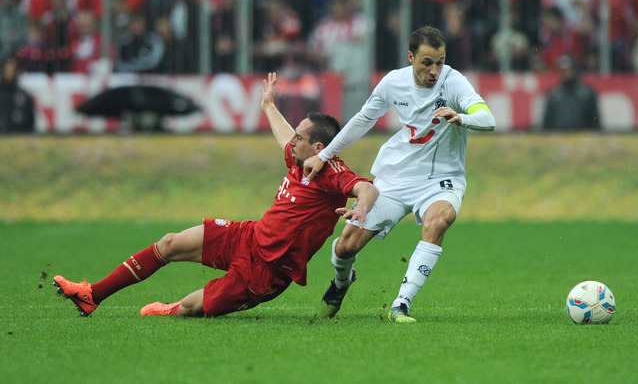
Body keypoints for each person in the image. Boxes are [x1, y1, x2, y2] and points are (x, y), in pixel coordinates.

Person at [53, 72, 379, 318]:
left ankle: (172, 308)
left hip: (266, 272)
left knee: (191, 309)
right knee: (169, 243)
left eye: (299, 137)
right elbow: (284, 135)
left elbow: (366, 188)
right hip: (248, 236)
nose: (292, 142)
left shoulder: (332, 171)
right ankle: (92, 294)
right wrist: (267, 106)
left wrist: (362, 207)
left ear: (318, 148)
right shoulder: (298, 156)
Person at [304, 26, 496, 322]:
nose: (434, 70)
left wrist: (463, 118)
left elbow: (488, 118)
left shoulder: (454, 82)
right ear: (411, 57)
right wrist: (324, 155)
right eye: (427, 62)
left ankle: (401, 304)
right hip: (397, 176)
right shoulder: (393, 82)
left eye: (440, 62)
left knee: (439, 220)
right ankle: (341, 283)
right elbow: (362, 120)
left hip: (441, 179)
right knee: (345, 247)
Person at [542, 55, 600, 131]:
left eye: (569, 70)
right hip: (558, 137)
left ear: (575, 70)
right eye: (563, 70)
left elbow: (595, 119)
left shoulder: (586, 93)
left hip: (582, 137)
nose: (566, 73)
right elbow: (547, 121)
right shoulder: (553, 94)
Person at [0, 56, 35, 133]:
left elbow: (30, 121)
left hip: (18, 139)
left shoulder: (24, 95)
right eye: (7, 71)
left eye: (12, 71)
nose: (9, 74)